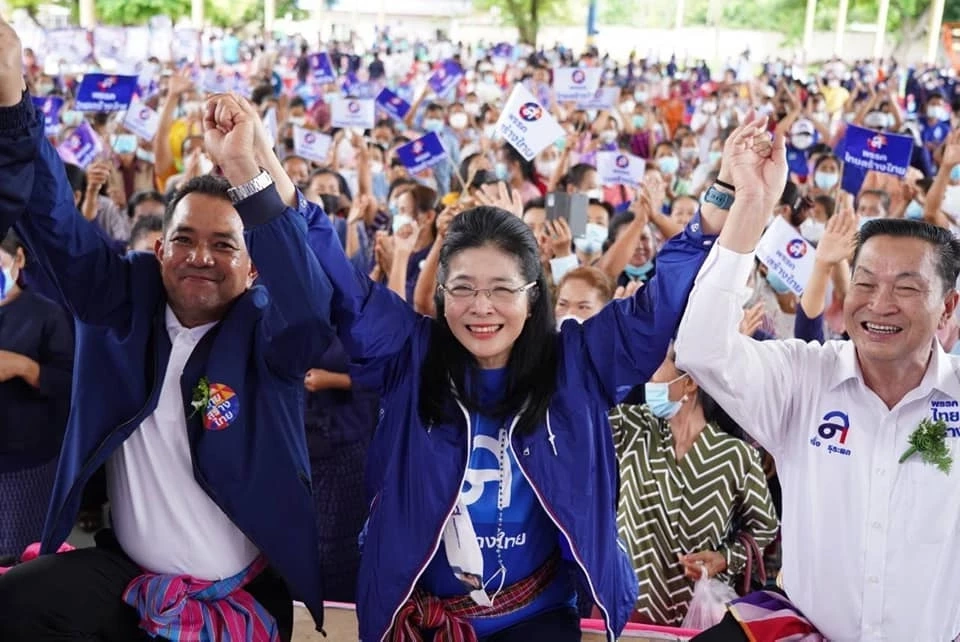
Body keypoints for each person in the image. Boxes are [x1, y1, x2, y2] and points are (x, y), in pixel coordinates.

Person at [292, 114, 748, 642]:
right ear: (440, 296)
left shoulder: (577, 363)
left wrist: (722, 195)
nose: (481, 307)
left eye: (502, 289)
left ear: (533, 297)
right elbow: (345, 288)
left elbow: (656, 306)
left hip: (537, 619)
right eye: (462, 288)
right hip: (419, 619)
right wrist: (264, 179)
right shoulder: (409, 354)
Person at [0, 23, 334, 641]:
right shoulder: (120, 300)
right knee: (15, 604)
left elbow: (313, 310)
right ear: (159, 248)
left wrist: (246, 172)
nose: (199, 256)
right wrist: (12, 98)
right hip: (124, 581)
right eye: (184, 239)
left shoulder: (270, 333)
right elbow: (53, 223)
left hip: (244, 603)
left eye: (223, 245)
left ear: (253, 262)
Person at [676, 109, 960, 640]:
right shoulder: (804, 378)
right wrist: (750, 208)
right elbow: (699, 347)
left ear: (948, 309)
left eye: (905, 287)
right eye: (865, 282)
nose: (880, 303)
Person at [610, 346, 778, 626]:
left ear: (689, 381)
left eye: (656, 369)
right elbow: (585, 407)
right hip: (629, 605)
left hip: (701, 613)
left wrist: (725, 559)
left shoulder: (735, 455)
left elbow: (766, 526)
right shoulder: (632, 427)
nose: (647, 379)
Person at [0, 230, 74, 563]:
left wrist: (25, 367)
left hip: (27, 456)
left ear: (18, 260)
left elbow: (69, 382)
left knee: (21, 550)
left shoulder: (46, 314)